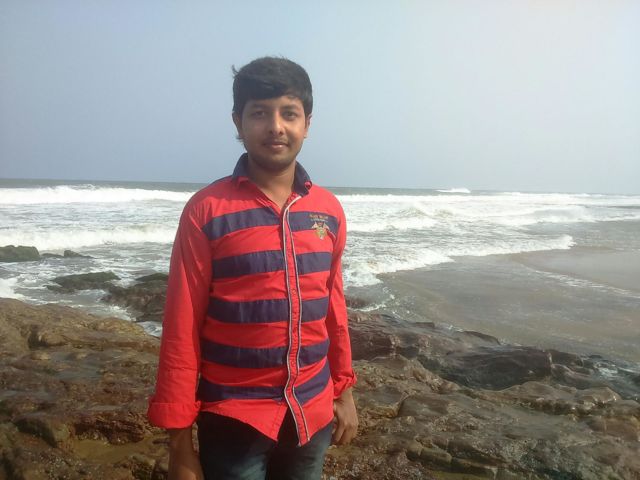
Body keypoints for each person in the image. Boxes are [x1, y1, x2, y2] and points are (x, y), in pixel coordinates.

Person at [147, 56, 358, 480]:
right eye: (259, 113)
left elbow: (333, 310)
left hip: (312, 413)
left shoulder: (329, 211)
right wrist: (179, 444)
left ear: (307, 123)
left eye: (289, 113)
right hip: (233, 418)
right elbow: (182, 325)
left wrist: (344, 390)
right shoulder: (207, 211)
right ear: (238, 123)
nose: (275, 127)